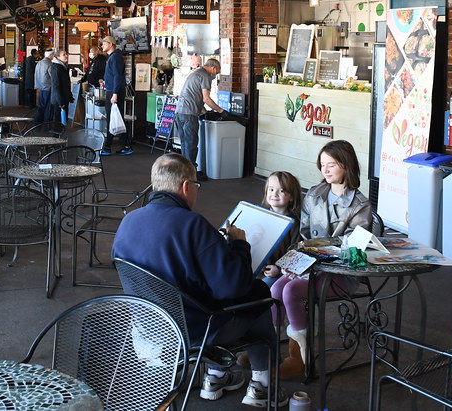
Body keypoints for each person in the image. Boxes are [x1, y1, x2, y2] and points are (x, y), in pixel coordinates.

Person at [112, 154, 284, 407]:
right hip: (196, 331)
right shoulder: (192, 224)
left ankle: (216, 376)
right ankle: (262, 385)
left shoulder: (129, 221)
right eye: (196, 185)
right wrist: (239, 245)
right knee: (260, 294)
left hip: (148, 325)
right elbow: (233, 287)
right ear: (186, 187)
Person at [269, 140, 371, 379]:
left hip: (340, 273)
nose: (324, 170)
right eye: (322, 164)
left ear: (346, 166)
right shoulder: (314, 194)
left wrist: (313, 260)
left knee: (292, 290)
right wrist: (297, 264)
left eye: (331, 165)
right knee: (276, 289)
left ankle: (300, 358)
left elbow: (353, 250)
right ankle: (269, 348)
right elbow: (303, 236)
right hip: (311, 265)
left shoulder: (360, 204)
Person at [174, 58, 224, 179]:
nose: (215, 75)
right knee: (191, 144)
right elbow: (206, 99)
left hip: (179, 112)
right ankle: (191, 175)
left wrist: (204, 111)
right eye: (217, 72)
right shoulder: (205, 76)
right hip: (189, 114)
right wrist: (221, 111)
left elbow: (193, 95)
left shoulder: (196, 73)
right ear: (214, 68)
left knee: (185, 144)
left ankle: (185, 173)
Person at [259, 171, 302, 287]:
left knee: (264, 287)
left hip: (280, 274)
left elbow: (295, 254)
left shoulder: (293, 224)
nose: (274, 194)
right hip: (256, 269)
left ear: (292, 196)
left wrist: (278, 268)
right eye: (271, 189)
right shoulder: (260, 216)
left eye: (281, 191)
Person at [100, 35, 132, 155]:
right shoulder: (113, 57)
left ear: (110, 44)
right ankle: (125, 144)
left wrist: (114, 93)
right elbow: (114, 75)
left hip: (114, 92)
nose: (102, 45)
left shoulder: (115, 57)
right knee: (115, 118)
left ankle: (108, 147)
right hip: (112, 90)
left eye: (104, 43)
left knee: (113, 118)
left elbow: (118, 76)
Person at [49, 49, 74, 125]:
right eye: (64, 55)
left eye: (66, 54)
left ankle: (61, 135)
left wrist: (70, 96)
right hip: (59, 100)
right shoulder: (56, 68)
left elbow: (66, 84)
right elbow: (56, 86)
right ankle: (57, 136)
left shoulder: (63, 66)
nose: (66, 56)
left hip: (64, 98)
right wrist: (60, 102)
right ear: (58, 57)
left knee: (63, 121)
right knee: (58, 121)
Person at [34, 49, 55, 124]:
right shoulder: (49, 64)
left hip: (40, 88)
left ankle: (37, 123)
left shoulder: (39, 63)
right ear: (51, 55)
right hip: (48, 88)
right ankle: (47, 125)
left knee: (41, 107)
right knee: (48, 109)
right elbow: (53, 77)